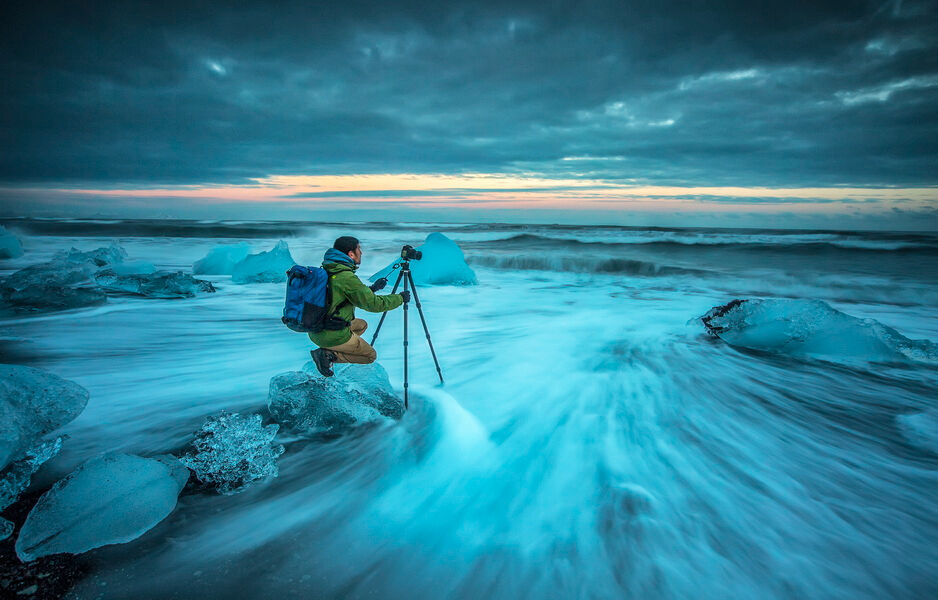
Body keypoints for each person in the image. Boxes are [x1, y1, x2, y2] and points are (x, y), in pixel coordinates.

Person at [308, 236, 409, 377]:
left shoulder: (328, 269)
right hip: (331, 334)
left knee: (361, 325)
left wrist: (372, 289)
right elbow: (374, 305)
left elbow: (339, 296)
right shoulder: (346, 277)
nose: (361, 253)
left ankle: (339, 345)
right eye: (359, 249)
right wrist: (400, 298)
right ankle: (327, 354)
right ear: (351, 254)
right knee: (370, 356)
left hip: (316, 328)